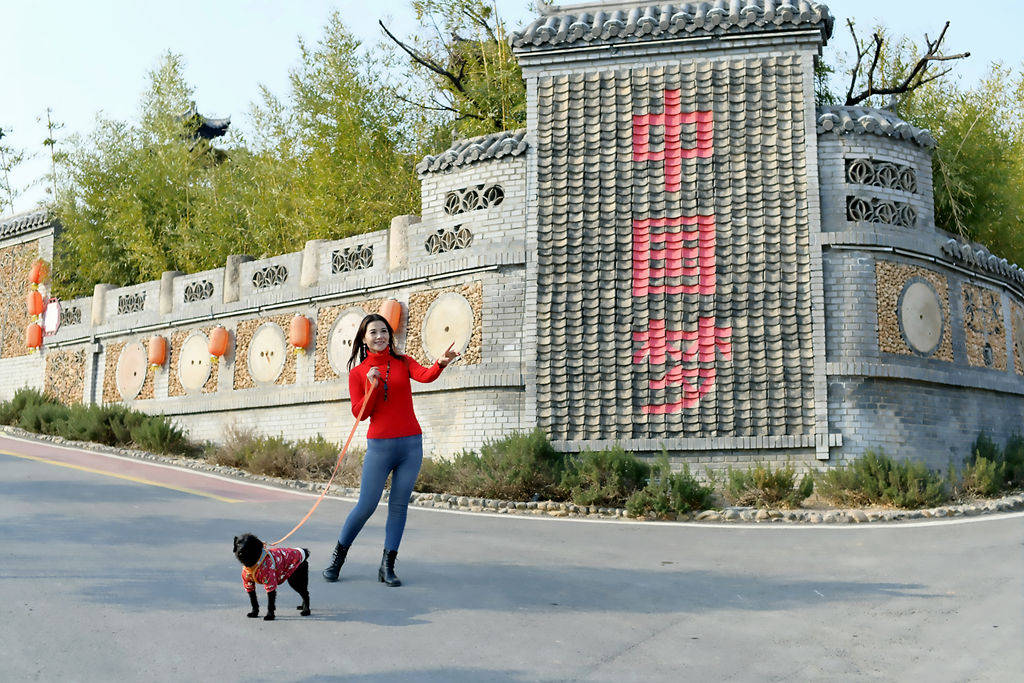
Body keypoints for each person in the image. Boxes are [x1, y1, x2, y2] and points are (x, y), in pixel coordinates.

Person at [322, 313, 458, 586]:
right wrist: (371, 386)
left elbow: (425, 376)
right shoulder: (357, 374)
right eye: (373, 332)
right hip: (380, 448)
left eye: (384, 331)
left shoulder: (403, 362)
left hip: (410, 445)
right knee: (366, 505)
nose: (380, 336)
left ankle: (387, 566)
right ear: (363, 338)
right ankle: (338, 558)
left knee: (398, 507)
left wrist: (440, 363)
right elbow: (360, 414)